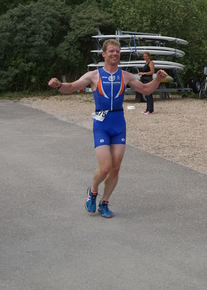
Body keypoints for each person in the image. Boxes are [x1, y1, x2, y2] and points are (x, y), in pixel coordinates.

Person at [48, 39, 168, 219]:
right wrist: (58, 86)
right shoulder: (93, 75)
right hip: (102, 125)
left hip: (119, 124)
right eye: (111, 51)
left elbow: (145, 90)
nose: (115, 54)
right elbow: (71, 87)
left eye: (117, 52)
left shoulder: (125, 76)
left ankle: (104, 202)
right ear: (104, 54)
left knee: (116, 168)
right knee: (105, 168)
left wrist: (158, 78)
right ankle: (93, 191)